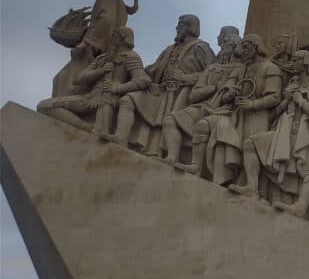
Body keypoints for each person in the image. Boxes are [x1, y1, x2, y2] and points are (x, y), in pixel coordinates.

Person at [251, 50, 309, 214]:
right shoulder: (290, 86)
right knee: (252, 144)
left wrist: (301, 101)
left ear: (305, 62)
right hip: (284, 133)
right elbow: (273, 116)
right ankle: (254, 191)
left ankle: (307, 212)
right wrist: (286, 101)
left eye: (296, 60)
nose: (292, 62)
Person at [115, 14, 213, 155]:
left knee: (169, 121)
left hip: (181, 95)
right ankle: (120, 138)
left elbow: (212, 75)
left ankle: (164, 154)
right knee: (128, 99)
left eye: (181, 25)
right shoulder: (170, 49)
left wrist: (186, 77)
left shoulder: (201, 48)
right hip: (159, 91)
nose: (177, 28)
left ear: (190, 27)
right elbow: (153, 69)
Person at [201, 34, 283, 190]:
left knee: (250, 147)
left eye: (246, 47)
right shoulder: (241, 69)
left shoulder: (270, 68)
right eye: (242, 47)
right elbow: (226, 92)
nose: (242, 50)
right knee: (226, 140)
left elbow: (274, 96)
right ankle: (220, 181)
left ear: (256, 47)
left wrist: (252, 104)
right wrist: (229, 94)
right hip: (237, 115)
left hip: (257, 116)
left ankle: (252, 187)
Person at [38, 26, 150, 134]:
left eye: (115, 35)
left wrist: (117, 88)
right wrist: (100, 71)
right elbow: (79, 79)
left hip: (108, 99)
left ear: (123, 37)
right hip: (89, 97)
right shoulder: (102, 58)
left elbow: (143, 80)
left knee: (101, 132)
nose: (112, 37)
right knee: (45, 106)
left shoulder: (131, 57)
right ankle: (87, 129)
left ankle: (92, 130)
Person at [161, 26, 242, 170]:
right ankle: (172, 157)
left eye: (227, 45)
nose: (223, 48)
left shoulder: (243, 69)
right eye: (223, 45)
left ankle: (196, 166)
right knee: (170, 120)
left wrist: (228, 94)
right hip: (201, 107)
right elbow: (193, 96)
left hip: (223, 112)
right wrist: (213, 88)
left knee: (202, 125)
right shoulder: (211, 68)